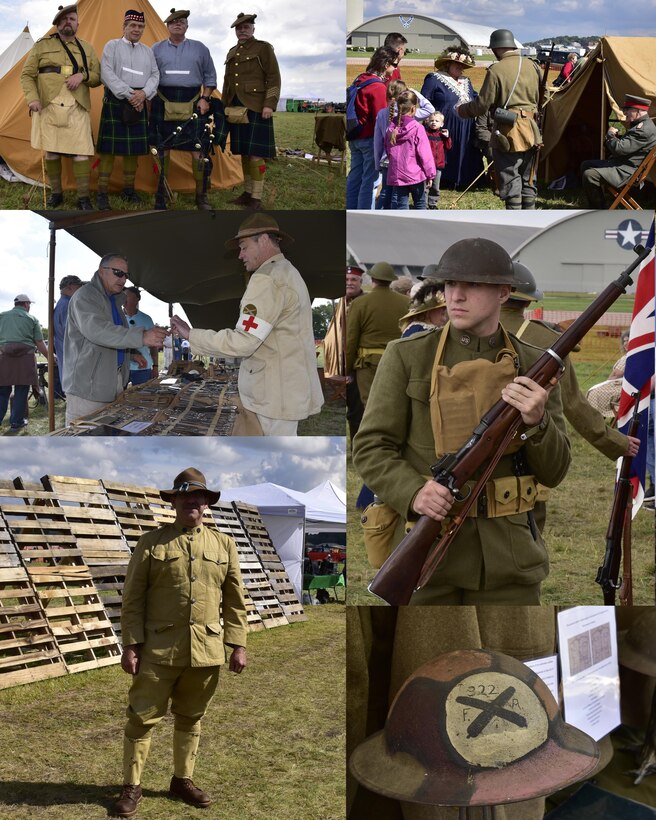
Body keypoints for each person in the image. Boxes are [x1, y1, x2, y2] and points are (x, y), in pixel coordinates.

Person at [353, 238, 571, 605]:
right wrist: (414, 493)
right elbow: (372, 446)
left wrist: (536, 421)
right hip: (429, 556)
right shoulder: (409, 355)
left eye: (471, 285)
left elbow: (555, 471)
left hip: (510, 559)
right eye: (450, 285)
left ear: (504, 293)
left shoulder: (535, 366)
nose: (455, 296)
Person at [112, 468, 247, 818]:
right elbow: (132, 599)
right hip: (157, 651)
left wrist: (238, 644)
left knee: (191, 717)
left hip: (205, 652)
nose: (192, 501)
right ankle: (132, 785)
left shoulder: (223, 544)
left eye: (199, 496)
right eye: (185, 496)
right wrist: (130, 645)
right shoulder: (151, 543)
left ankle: (182, 780)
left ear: (206, 503)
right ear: (173, 501)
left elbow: (234, 600)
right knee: (141, 719)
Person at [170, 214, 324, 435]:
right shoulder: (288, 272)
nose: (240, 255)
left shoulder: (267, 278)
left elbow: (244, 341)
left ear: (262, 240)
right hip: (283, 389)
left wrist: (192, 335)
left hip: (272, 394)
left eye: (244, 247)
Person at [504, 263, 637, 464]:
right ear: (529, 302)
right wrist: (617, 442)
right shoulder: (547, 340)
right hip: (526, 445)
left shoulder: (455, 332)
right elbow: (574, 404)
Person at [62, 254, 167, 425]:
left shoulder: (114, 300)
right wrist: (141, 336)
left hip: (112, 383)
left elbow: (111, 339)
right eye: (118, 272)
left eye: (126, 275)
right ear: (101, 271)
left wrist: (131, 355)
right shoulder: (85, 296)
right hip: (88, 387)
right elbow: (98, 331)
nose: (123, 278)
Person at [20, 4, 101, 210]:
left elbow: (98, 77)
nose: (68, 22)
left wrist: (82, 75)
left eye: (72, 19)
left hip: (77, 106)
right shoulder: (41, 46)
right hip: (48, 105)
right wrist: (32, 99)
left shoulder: (87, 48)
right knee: (51, 152)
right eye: (64, 19)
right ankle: (56, 194)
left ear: (77, 23)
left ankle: (84, 198)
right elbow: (27, 75)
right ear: (57, 24)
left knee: (81, 151)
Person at [456, 29, 542, 209]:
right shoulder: (533, 66)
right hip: (533, 130)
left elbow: (482, 105)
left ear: (496, 48)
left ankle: (514, 222)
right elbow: (545, 95)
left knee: (510, 179)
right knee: (528, 179)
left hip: (509, 131)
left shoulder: (497, 69)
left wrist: (462, 110)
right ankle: (531, 221)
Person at [149, 9, 218, 210]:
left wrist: (205, 98)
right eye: (173, 22)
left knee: (199, 149)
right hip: (162, 99)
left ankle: (201, 195)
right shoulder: (156, 48)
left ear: (187, 26)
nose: (178, 24)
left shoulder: (200, 49)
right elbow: (150, 76)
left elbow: (210, 77)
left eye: (182, 21)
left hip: (194, 101)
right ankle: (161, 193)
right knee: (162, 148)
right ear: (167, 26)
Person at [96, 8, 159, 211]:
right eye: (133, 25)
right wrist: (131, 94)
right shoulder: (112, 46)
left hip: (139, 103)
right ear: (124, 27)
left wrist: (144, 93)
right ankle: (102, 193)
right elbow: (106, 73)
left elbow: (155, 76)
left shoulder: (147, 51)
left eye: (140, 26)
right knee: (108, 152)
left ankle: (129, 191)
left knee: (132, 152)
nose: (137, 29)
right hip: (117, 102)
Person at [222, 12, 281, 210]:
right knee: (244, 153)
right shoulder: (231, 52)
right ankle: (247, 193)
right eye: (239, 28)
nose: (242, 30)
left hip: (256, 106)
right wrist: (224, 106)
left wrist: (269, 104)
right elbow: (227, 83)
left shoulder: (263, 48)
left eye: (246, 27)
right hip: (236, 108)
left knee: (256, 153)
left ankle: (256, 198)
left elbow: (273, 77)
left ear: (253, 29)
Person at [345, 261, 409, 406]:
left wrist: (347, 369)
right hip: (397, 362)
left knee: (370, 407)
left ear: (372, 279)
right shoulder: (406, 302)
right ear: (391, 280)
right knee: (393, 405)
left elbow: (351, 340)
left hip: (368, 365)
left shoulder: (360, 303)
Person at [420, 47, 483, 189]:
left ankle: (465, 179)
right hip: (445, 124)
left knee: (466, 150)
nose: (460, 67)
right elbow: (424, 101)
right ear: (447, 63)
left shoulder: (466, 80)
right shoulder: (434, 78)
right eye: (456, 64)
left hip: (467, 125)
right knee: (446, 150)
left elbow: (474, 97)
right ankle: (444, 180)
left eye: (462, 65)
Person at [580, 94, 656, 209]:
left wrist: (610, 135)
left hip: (626, 170)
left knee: (590, 174)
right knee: (586, 164)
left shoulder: (643, 129)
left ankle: (598, 209)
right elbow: (629, 145)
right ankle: (599, 203)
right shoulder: (642, 125)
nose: (625, 113)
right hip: (622, 164)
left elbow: (619, 149)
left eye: (627, 110)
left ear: (638, 111)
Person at [346, 46, 398, 210]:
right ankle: (365, 214)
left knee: (355, 178)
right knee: (370, 182)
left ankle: (351, 210)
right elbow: (380, 118)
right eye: (394, 64)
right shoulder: (378, 87)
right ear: (385, 64)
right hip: (369, 139)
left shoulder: (360, 79)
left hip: (355, 136)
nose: (395, 69)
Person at [374, 79, 434, 210]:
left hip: (396, 171)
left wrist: (378, 162)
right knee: (419, 203)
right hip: (415, 173)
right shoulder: (417, 127)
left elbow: (382, 145)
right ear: (413, 108)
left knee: (398, 201)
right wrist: (430, 174)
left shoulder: (390, 128)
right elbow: (425, 153)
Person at [0, 295, 50, 434]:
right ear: (26, 304)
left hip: (4, 356)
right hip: (25, 357)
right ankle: (16, 422)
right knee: (21, 391)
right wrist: (49, 357)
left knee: (2, 392)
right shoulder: (32, 319)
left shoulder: (2, 316)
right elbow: (39, 342)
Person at [53, 274, 84, 398]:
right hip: (73, 364)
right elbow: (73, 334)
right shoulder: (67, 305)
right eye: (78, 288)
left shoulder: (61, 304)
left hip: (67, 363)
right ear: (70, 287)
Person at [123, 286, 158, 386]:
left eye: (127, 296)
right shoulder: (116, 318)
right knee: (120, 399)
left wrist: (155, 366)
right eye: (122, 296)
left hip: (142, 368)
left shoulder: (146, 319)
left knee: (141, 398)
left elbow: (153, 346)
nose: (123, 299)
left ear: (137, 299)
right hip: (122, 367)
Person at [423, 110, 452, 208]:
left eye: (436, 121)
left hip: (438, 165)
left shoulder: (442, 135)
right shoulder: (425, 134)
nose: (434, 122)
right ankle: (424, 204)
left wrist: (447, 138)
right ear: (428, 122)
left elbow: (448, 147)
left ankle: (433, 203)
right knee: (426, 186)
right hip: (426, 166)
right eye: (431, 120)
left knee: (435, 186)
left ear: (442, 123)